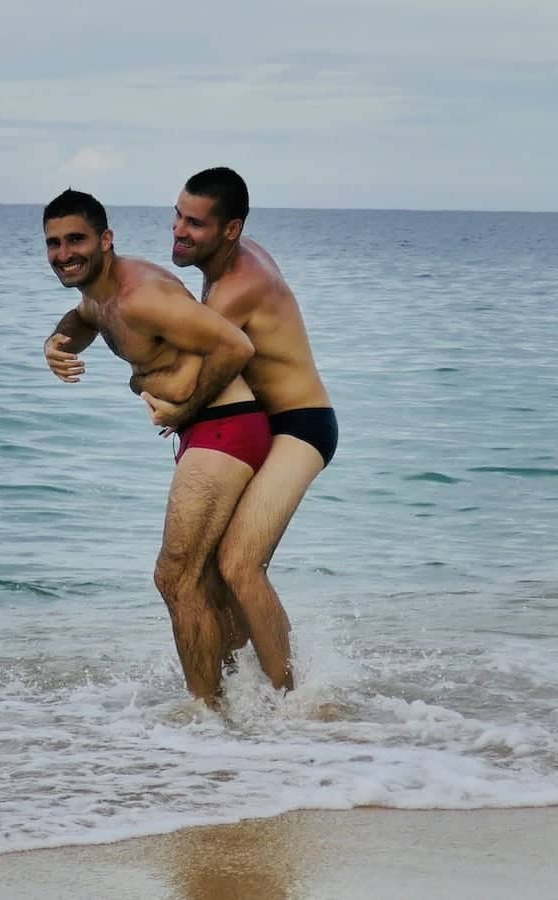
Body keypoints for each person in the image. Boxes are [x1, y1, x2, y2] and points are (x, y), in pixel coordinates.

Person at [39, 188, 268, 704]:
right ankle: (249, 704)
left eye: (76, 239)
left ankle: (206, 715)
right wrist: (54, 343)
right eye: (53, 243)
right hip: (208, 431)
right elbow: (85, 316)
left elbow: (236, 345)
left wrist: (185, 410)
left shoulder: (142, 294)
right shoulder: (99, 293)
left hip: (223, 426)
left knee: (175, 576)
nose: (63, 253)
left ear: (106, 239)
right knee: (206, 582)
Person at [141, 167, 338, 693]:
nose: (179, 231)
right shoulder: (227, 258)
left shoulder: (238, 287)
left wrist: (175, 408)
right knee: (210, 572)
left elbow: (197, 364)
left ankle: (294, 700)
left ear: (231, 230)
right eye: (177, 216)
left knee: (240, 564)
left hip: (302, 427)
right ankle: (237, 691)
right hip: (264, 424)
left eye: (196, 223)